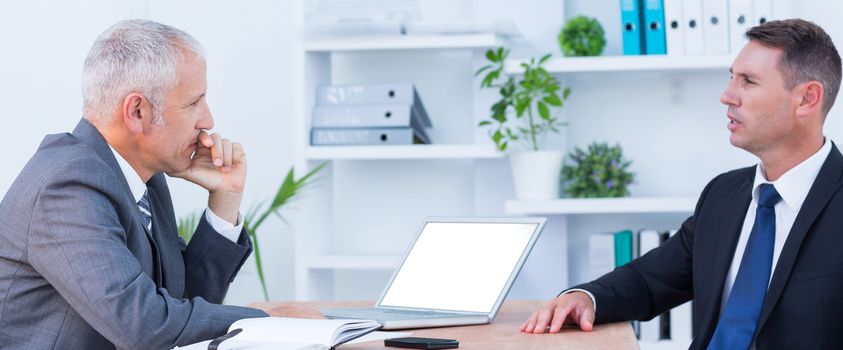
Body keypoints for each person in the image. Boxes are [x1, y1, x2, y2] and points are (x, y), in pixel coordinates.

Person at [521, 18, 843, 350]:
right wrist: (586, 298)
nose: (727, 95)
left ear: (807, 99)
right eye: (731, 77)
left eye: (748, 81)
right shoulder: (723, 195)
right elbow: (649, 279)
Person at [0, 20, 319, 349]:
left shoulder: (147, 181)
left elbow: (183, 305)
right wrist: (269, 323)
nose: (208, 120)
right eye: (194, 102)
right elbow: (143, 325)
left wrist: (226, 197)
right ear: (137, 111)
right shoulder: (67, 186)